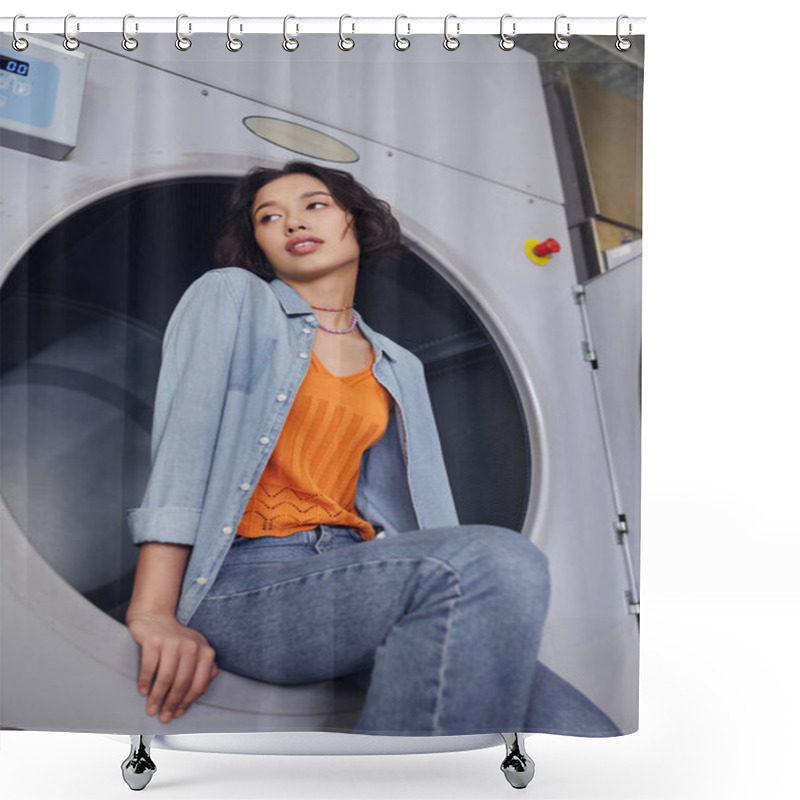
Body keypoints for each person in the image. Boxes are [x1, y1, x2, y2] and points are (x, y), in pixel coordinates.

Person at [124, 160, 560, 737]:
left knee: (580, 728)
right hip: (246, 583)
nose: (292, 222)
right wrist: (154, 612)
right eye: (268, 217)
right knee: (502, 558)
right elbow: (184, 448)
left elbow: (428, 516)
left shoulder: (400, 363)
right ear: (258, 242)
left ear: (354, 220)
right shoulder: (232, 297)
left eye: (315, 205)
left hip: (354, 574)